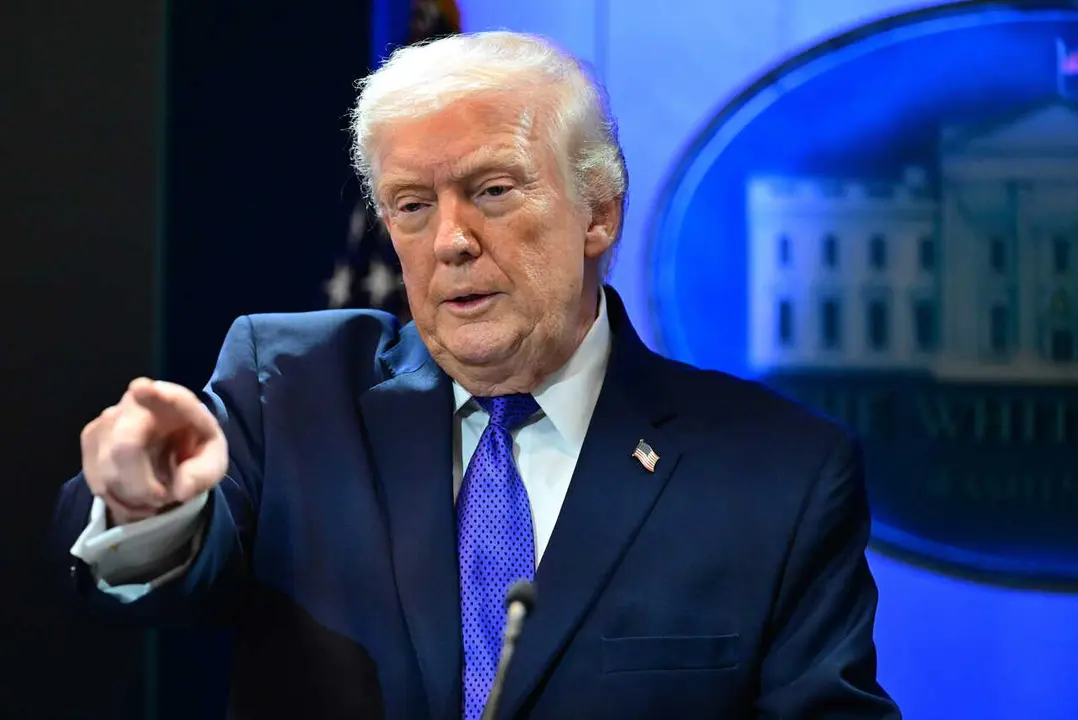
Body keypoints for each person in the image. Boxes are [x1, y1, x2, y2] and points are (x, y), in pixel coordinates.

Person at [53, 31, 900, 719]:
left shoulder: (778, 473)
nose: (450, 241)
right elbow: (155, 588)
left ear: (598, 211)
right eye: (413, 206)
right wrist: (143, 501)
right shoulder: (292, 388)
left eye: (492, 191)